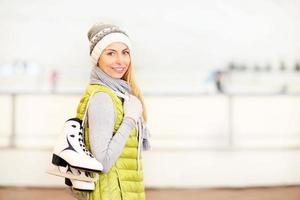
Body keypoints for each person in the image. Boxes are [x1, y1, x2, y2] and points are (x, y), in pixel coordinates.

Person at [75, 22, 151, 200]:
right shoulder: (103, 97)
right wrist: (130, 119)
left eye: (125, 52)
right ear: (97, 59)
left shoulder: (118, 94)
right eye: (111, 53)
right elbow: (103, 162)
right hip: (112, 193)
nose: (121, 61)